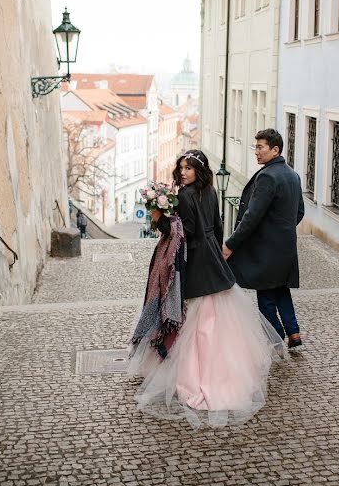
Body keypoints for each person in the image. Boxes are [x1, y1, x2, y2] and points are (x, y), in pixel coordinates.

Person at [128, 149, 284, 429]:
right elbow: (217, 225)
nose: (184, 173)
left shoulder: (186, 196)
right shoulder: (210, 191)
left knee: (196, 316)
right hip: (212, 255)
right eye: (182, 168)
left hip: (196, 259)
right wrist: (220, 250)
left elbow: (184, 232)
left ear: (198, 171)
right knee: (218, 315)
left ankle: (194, 377)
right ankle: (227, 375)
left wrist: (159, 219)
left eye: (189, 168)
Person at [223, 129, 305, 349]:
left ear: (275, 149)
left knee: (266, 294)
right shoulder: (292, 174)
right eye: (256, 147)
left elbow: (252, 216)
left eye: (260, 147)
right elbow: (299, 212)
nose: (256, 152)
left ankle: (275, 338)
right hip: (285, 247)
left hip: (266, 249)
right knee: (281, 289)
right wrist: (281, 230)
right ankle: (294, 333)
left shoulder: (268, 176)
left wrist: (231, 243)